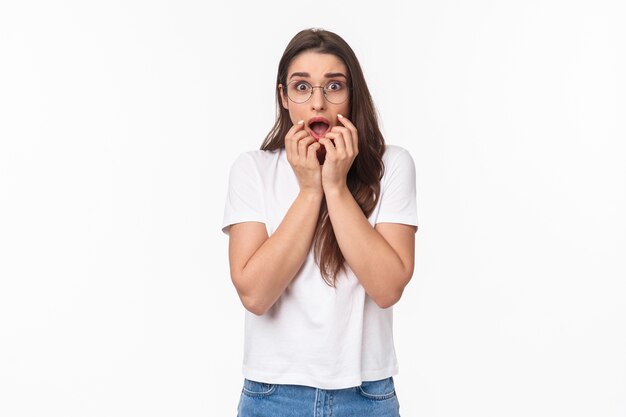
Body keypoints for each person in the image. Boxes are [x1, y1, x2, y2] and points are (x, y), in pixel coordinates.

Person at [222, 28, 418, 417]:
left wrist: (336, 186)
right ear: (283, 98)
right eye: (301, 87)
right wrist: (310, 191)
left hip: (366, 395)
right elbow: (255, 295)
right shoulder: (253, 169)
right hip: (273, 394)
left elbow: (387, 287)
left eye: (333, 85)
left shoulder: (391, 165)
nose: (318, 104)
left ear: (352, 94)